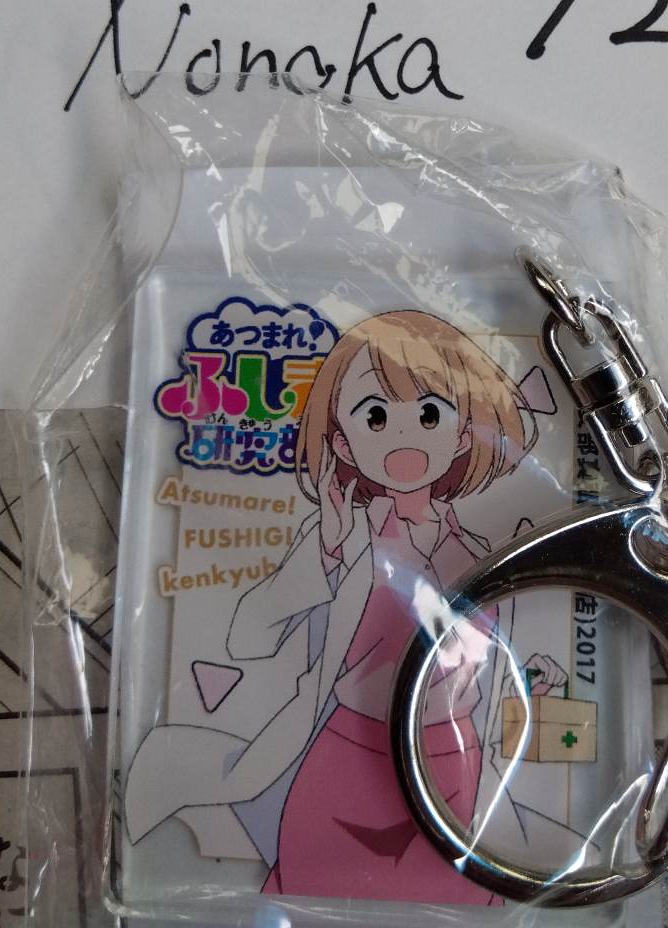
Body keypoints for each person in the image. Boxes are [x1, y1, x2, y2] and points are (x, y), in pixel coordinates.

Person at [226, 309, 566, 901]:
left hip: (451, 760)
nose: (404, 437)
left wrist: (529, 677)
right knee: (311, 898)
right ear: (342, 440)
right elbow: (246, 637)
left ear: (463, 432)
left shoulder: (483, 552)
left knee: (459, 900)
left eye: (430, 414)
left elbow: (487, 669)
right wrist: (327, 553)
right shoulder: (341, 538)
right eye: (375, 416)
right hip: (347, 755)